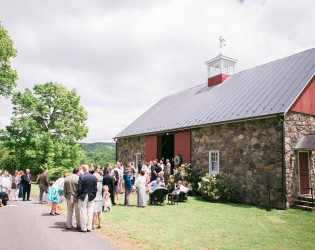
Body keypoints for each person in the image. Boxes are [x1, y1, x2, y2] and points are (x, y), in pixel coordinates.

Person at [77, 165, 97, 233]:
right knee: (90, 212)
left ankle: (83, 228)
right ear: (88, 169)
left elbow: (79, 188)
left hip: (83, 195)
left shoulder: (81, 177)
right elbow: (95, 188)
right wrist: (94, 194)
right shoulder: (93, 177)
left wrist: (79, 195)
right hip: (91, 195)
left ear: (83, 169)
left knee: (83, 212)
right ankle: (89, 227)